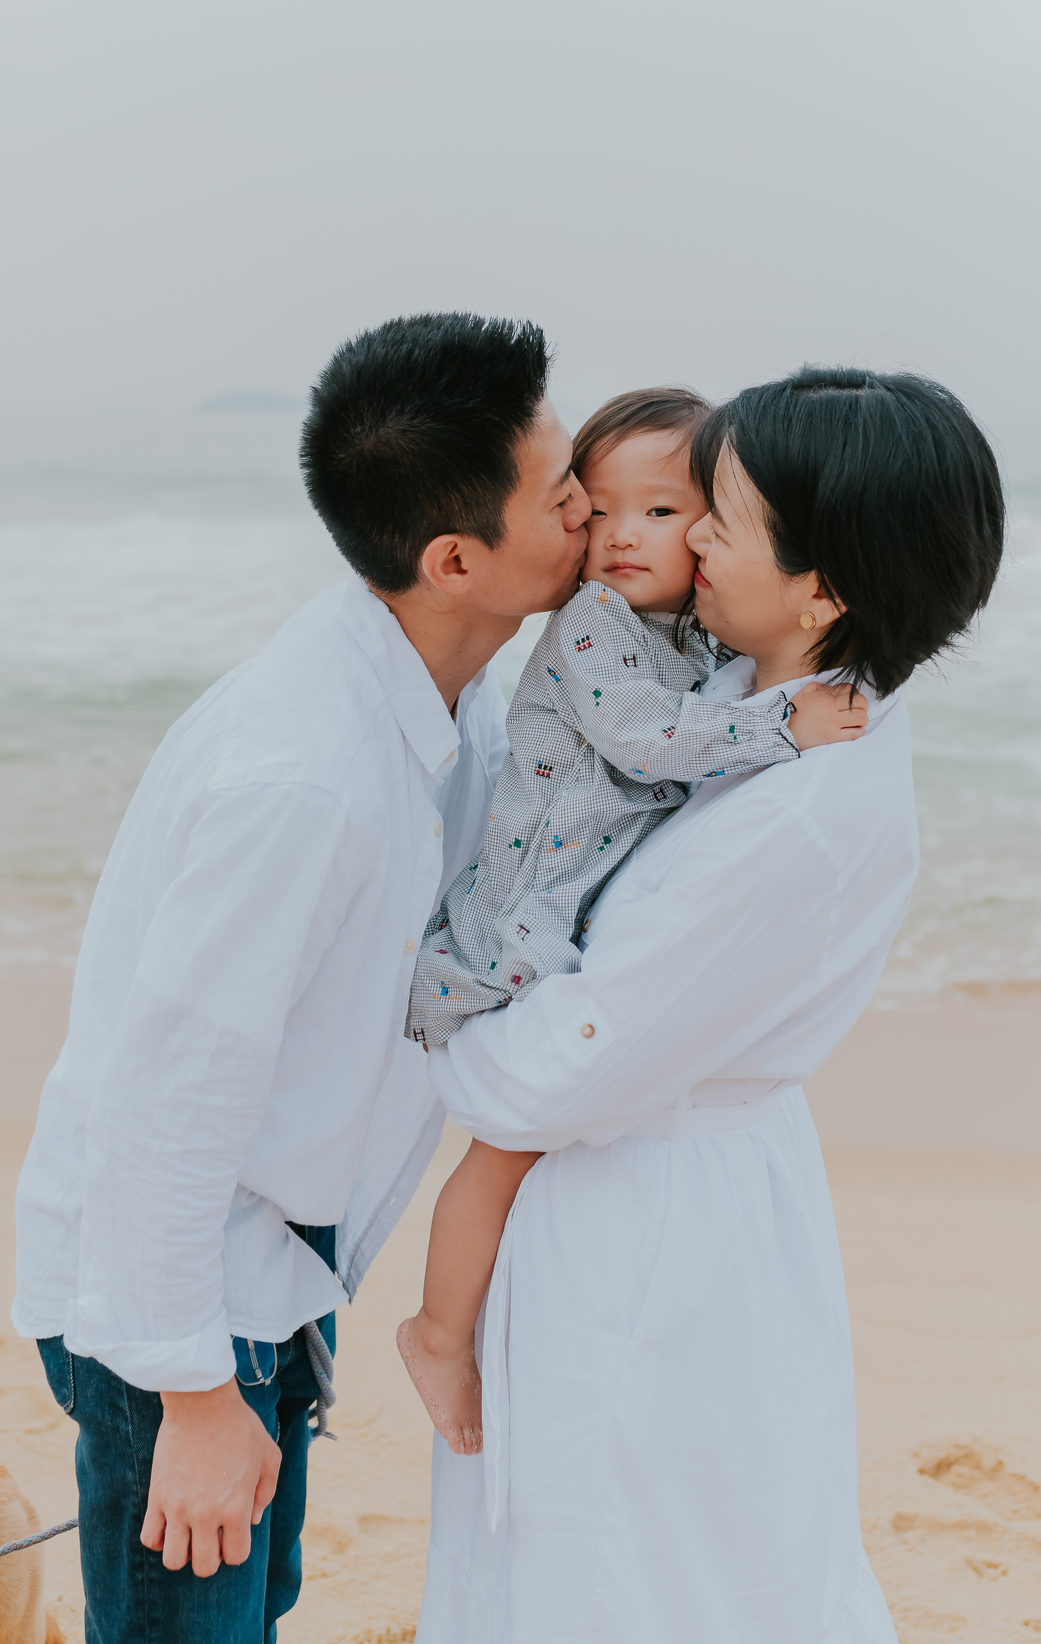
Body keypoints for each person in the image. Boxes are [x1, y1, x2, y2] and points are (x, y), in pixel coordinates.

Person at [11, 312, 591, 1643]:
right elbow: (167, 1098)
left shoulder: (451, 693)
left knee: (249, 1605)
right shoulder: (302, 774)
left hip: (270, 1279)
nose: (594, 506)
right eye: (560, 492)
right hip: (170, 1310)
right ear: (456, 558)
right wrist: (194, 1395)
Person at [415, 367, 1005, 1643]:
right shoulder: (765, 703)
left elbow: (559, 1073)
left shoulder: (795, 807)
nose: (689, 543)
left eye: (720, 519)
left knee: (632, 1571)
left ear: (823, 586)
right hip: (673, 1189)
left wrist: (450, 1060)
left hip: (651, 1223)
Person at [398, 388, 867, 1453]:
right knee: (504, 1146)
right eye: (595, 508)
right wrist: (784, 724)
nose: (622, 536)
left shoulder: (692, 639)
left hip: (569, 912)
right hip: (518, 922)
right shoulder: (594, 629)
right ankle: (435, 1328)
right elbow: (652, 739)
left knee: (533, 1144)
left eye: (662, 511)